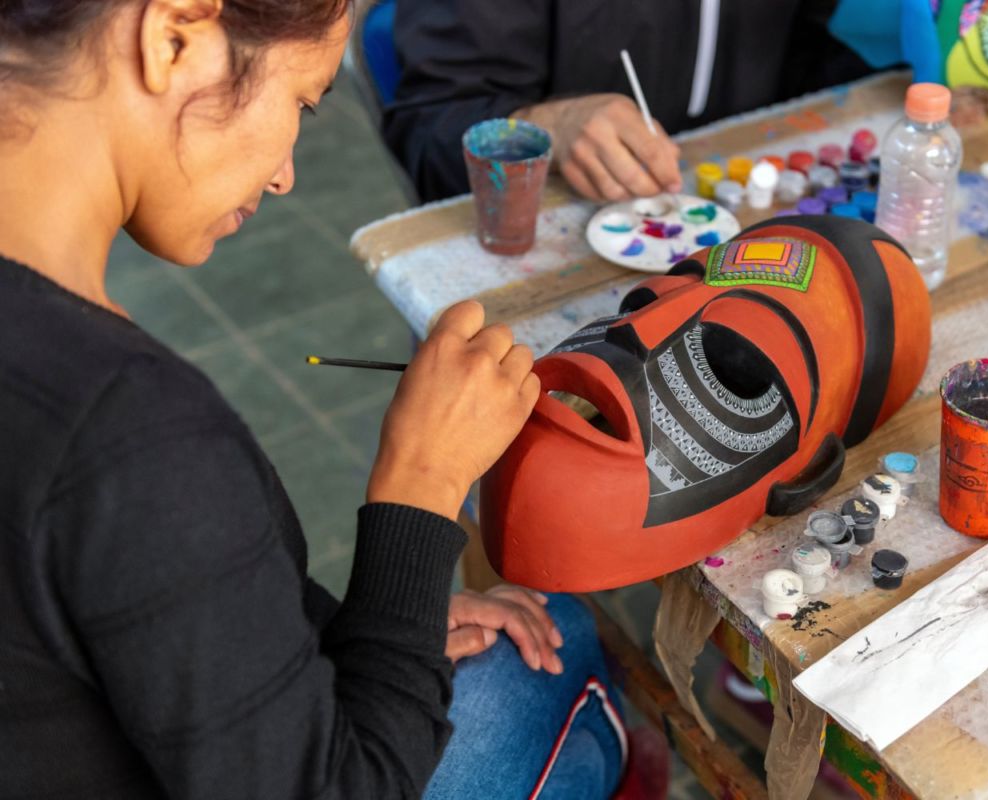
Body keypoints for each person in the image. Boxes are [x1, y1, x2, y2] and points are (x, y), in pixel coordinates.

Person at [0, 1, 641, 797]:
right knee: (558, 651)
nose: (285, 173)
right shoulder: (130, 428)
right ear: (172, 37)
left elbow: (118, 610)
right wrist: (422, 483)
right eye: (302, 100)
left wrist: (378, 629)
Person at [384, 0, 876, 201]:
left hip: (737, 222)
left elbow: (809, 55)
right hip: (546, 261)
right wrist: (550, 128)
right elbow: (431, 129)